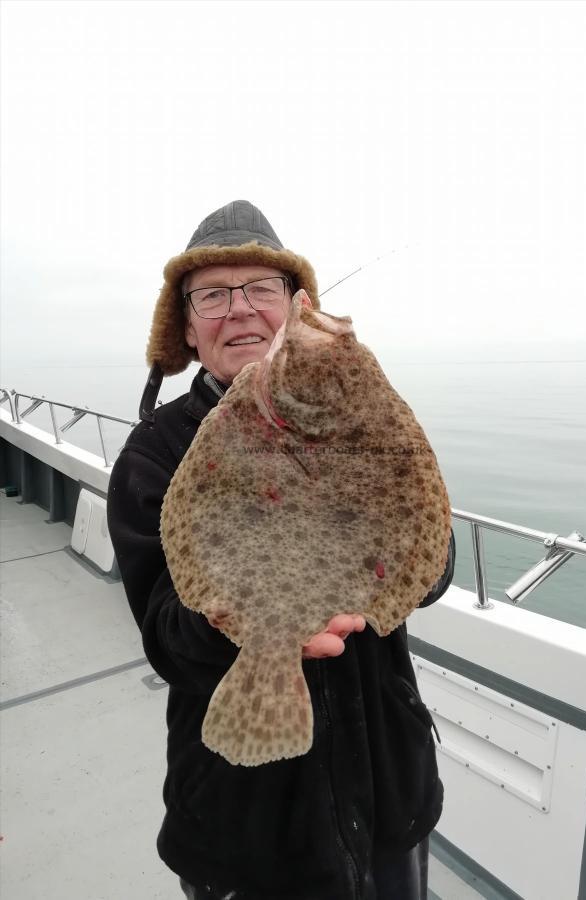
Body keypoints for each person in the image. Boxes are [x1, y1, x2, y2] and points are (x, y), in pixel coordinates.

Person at [107, 200, 456, 900]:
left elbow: (430, 557)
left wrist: (393, 583)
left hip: (386, 791)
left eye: (262, 288)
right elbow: (165, 635)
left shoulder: (367, 419)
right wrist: (243, 624)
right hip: (242, 827)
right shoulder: (156, 453)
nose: (239, 308)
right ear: (186, 326)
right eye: (212, 294)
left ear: (294, 308)